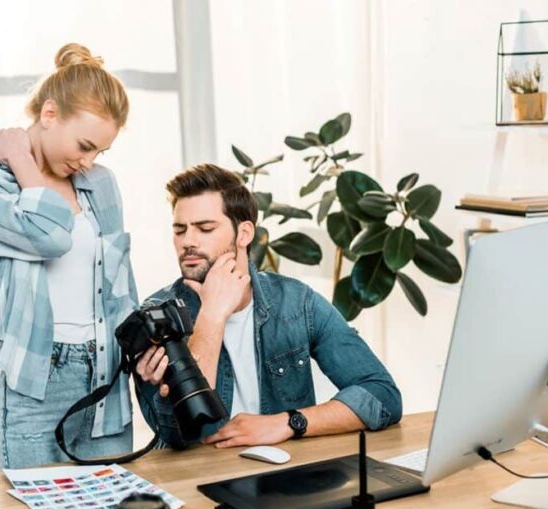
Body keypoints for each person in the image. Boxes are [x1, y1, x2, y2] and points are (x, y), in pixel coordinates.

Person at [0, 44, 137, 469]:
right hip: (36, 380)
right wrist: (20, 158)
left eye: (99, 152)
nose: (88, 161)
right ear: (49, 114)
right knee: (38, 507)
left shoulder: (101, 183)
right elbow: (50, 236)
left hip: (106, 376)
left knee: (114, 506)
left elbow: (122, 286)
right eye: (84, 145)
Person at [135, 164, 402, 449]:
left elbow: (383, 395)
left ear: (244, 233)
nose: (188, 241)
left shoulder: (297, 302)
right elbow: (177, 434)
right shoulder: (156, 317)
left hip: (285, 470)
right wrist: (211, 315)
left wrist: (287, 423)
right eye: (179, 230)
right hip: (202, 474)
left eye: (205, 228)